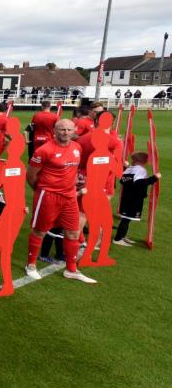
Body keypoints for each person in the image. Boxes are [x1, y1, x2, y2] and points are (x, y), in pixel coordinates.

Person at [25, 119, 96, 283]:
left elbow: (72, 169)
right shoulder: (44, 150)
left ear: (74, 130)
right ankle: (31, 265)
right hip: (48, 196)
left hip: (70, 196)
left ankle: (71, 269)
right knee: (40, 231)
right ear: (54, 131)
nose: (65, 132)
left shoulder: (77, 147)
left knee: (72, 232)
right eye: (62, 129)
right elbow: (30, 176)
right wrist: (43, 190)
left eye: (69, 129)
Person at [113, 152, 160, 246]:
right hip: (133, 200)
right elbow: (139, 184)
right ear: (144, 161)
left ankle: (122, 236)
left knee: (126, 219)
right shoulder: (141, 170)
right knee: (126, 219)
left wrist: (142, 192)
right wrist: (154, 178)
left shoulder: (130, 168)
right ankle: (117, 239)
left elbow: (123, 181)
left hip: (126, 197)